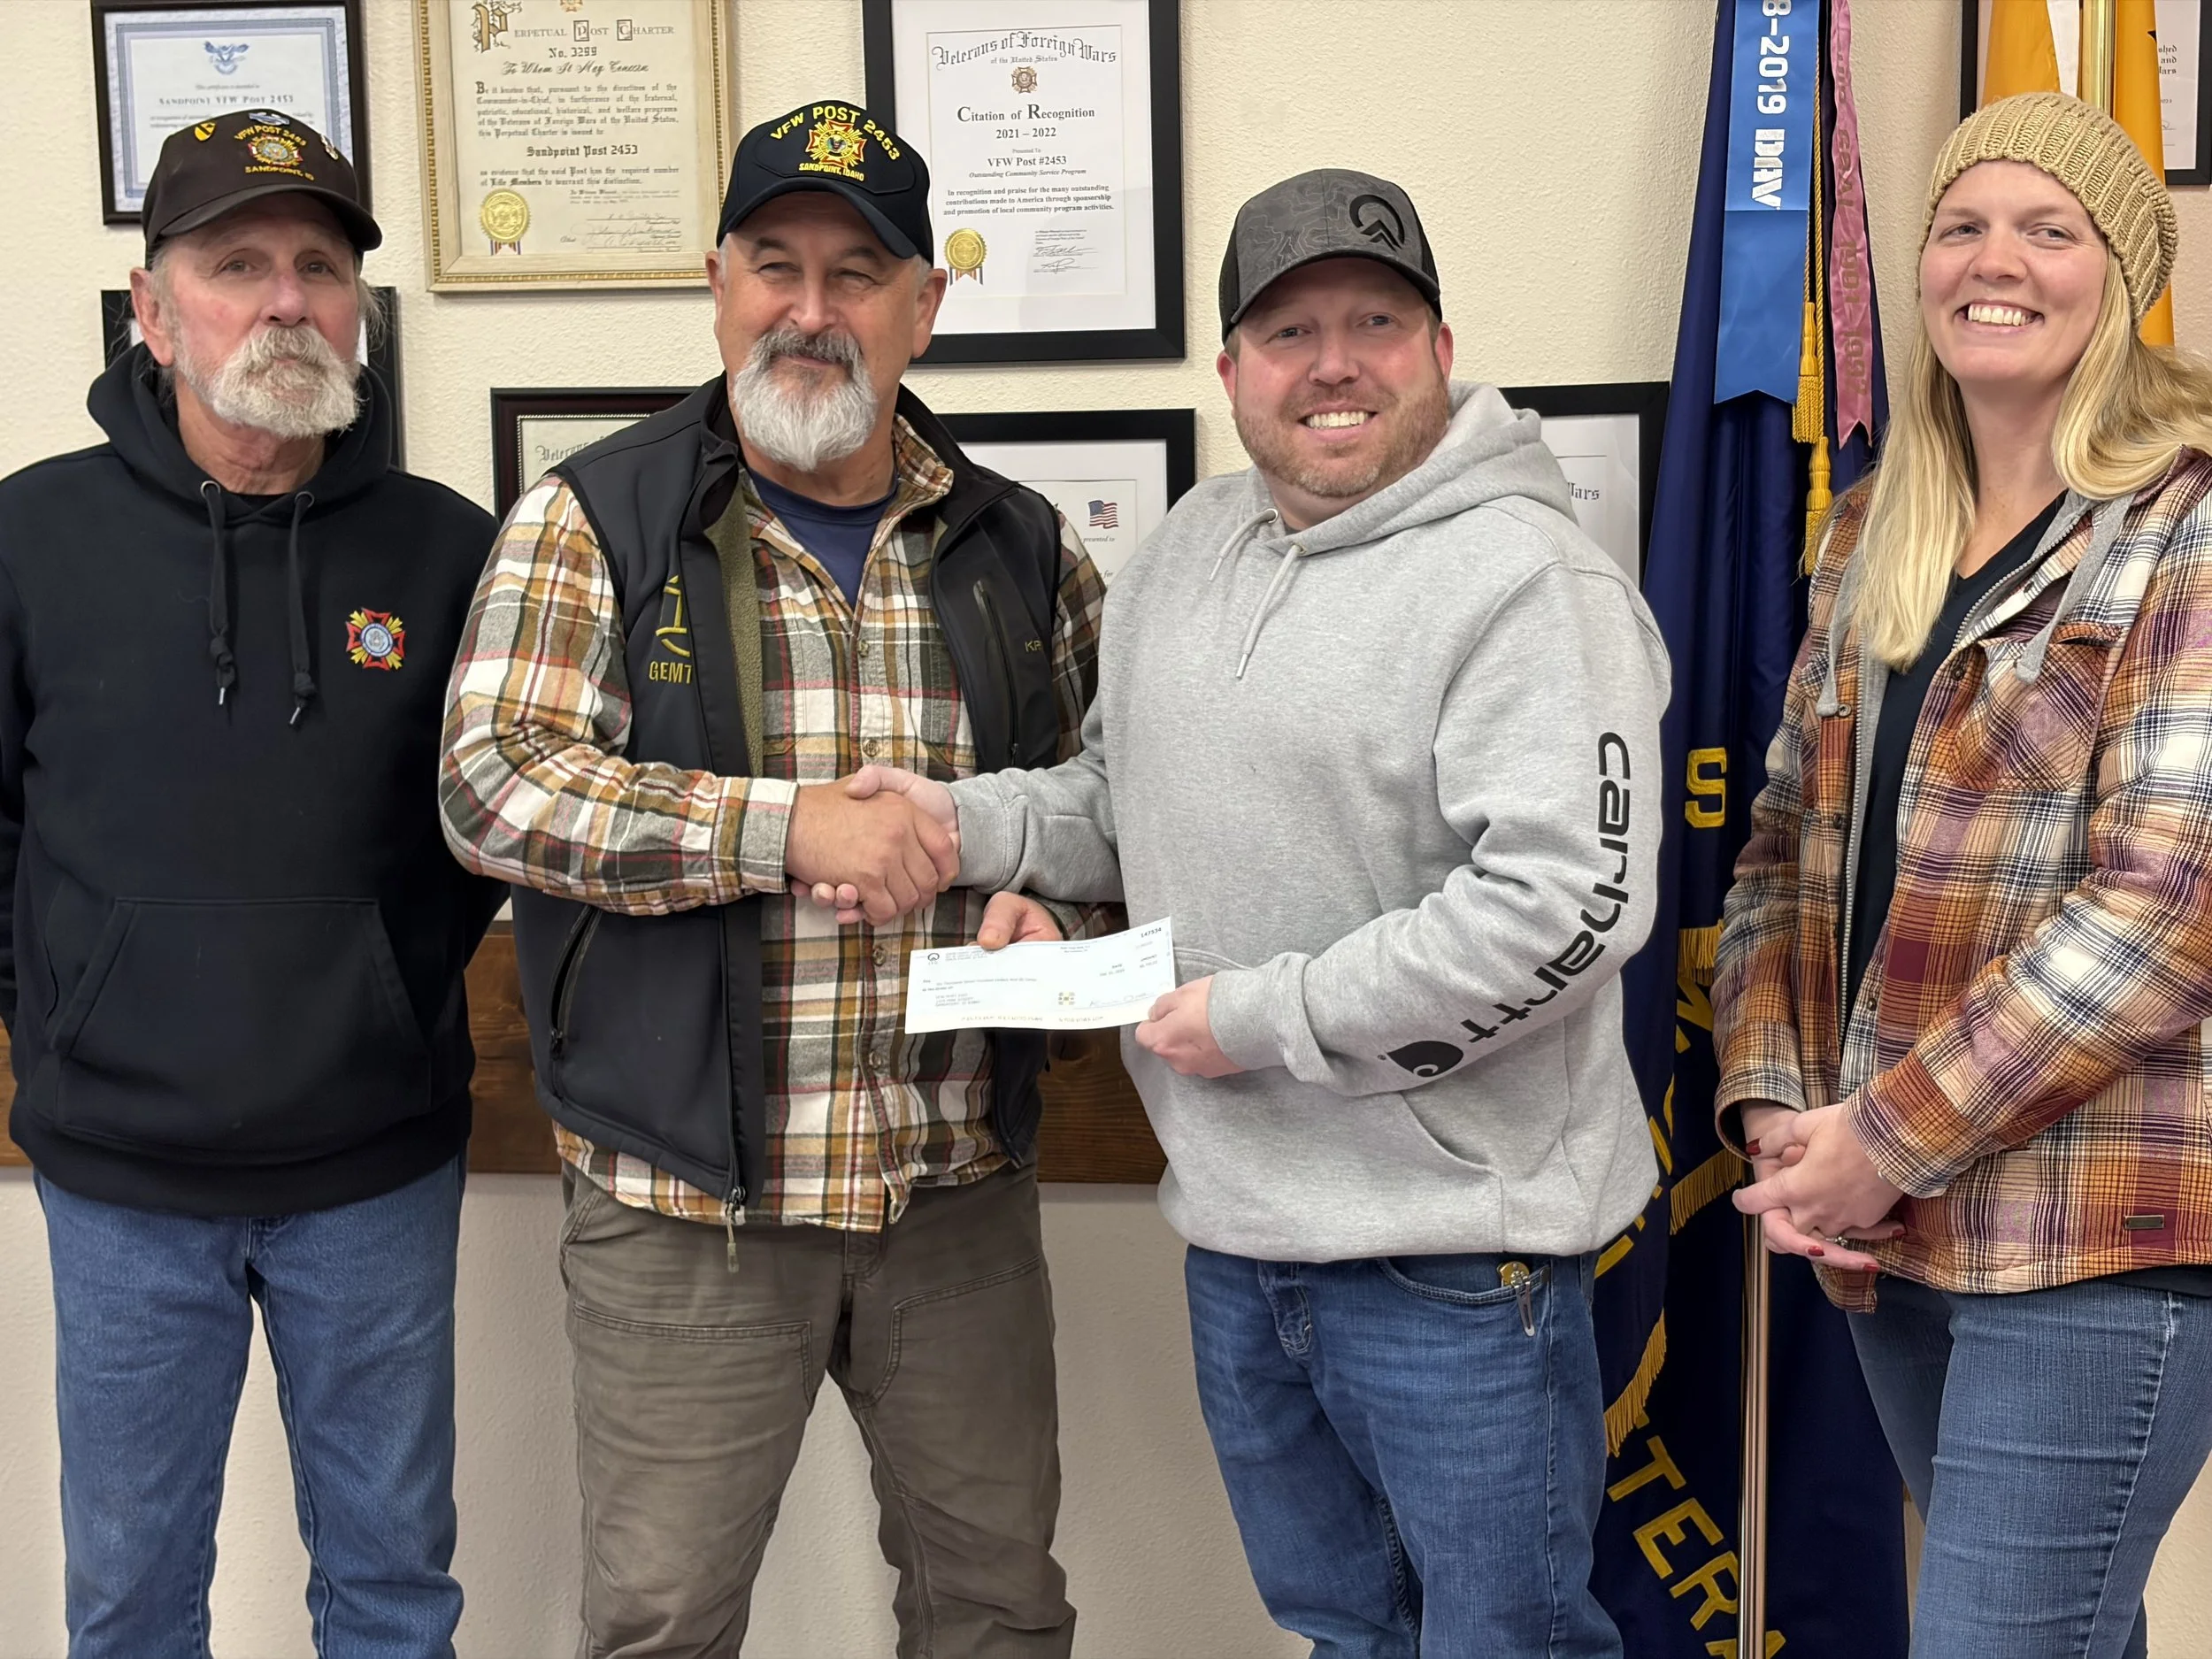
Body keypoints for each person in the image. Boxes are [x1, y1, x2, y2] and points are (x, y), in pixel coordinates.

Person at [826, 168, 1668, 1657]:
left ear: (1440, 345)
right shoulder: (1194, 551)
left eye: (1374, 321)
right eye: (1287, 331)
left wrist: (1263, 1016)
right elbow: (1116, 793)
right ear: (1229, 371)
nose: (1332, 361)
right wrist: (965, 824)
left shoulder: (1530, 579)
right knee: (1343, 1629)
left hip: (1456, 1258)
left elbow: (1565, 909)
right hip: (1240, 1235)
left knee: (1506, 1641)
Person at [438, 102, 1106, 1656]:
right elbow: (489, 787)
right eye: (775, 264)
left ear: (923, 306)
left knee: (1001, 1608)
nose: (811, 309)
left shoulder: (1021, 551)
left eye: (857, 272)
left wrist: (1057, 915)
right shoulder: (593, 517)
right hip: (688, 1206)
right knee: (664, 1622)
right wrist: (781, 827)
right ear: (719, 280)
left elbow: (1110, 808)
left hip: (954, 1195)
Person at [1714, 93, 2212, 1659]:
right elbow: (1788, 848)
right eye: (1960, 226)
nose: (1996, 261)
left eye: (2048, 231)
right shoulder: (1876, 533)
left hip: (2096, 1230)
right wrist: (1781, 1101)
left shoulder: (2185, 529)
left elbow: (2168, 909)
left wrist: (1884, 1131)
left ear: (2121, 279)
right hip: (1891, 1221)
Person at [0, 112, 502, 1655]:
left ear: (356, 302)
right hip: (123, 1177)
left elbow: (483, 835)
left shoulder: (447, 551)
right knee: (135, 1595)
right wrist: (72, 1018)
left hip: (375, 1171)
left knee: (391, 1586)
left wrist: (384, 990)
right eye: (236, 265)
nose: (286, 299)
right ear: (153, 311)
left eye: (319, 264)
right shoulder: (28, 537)